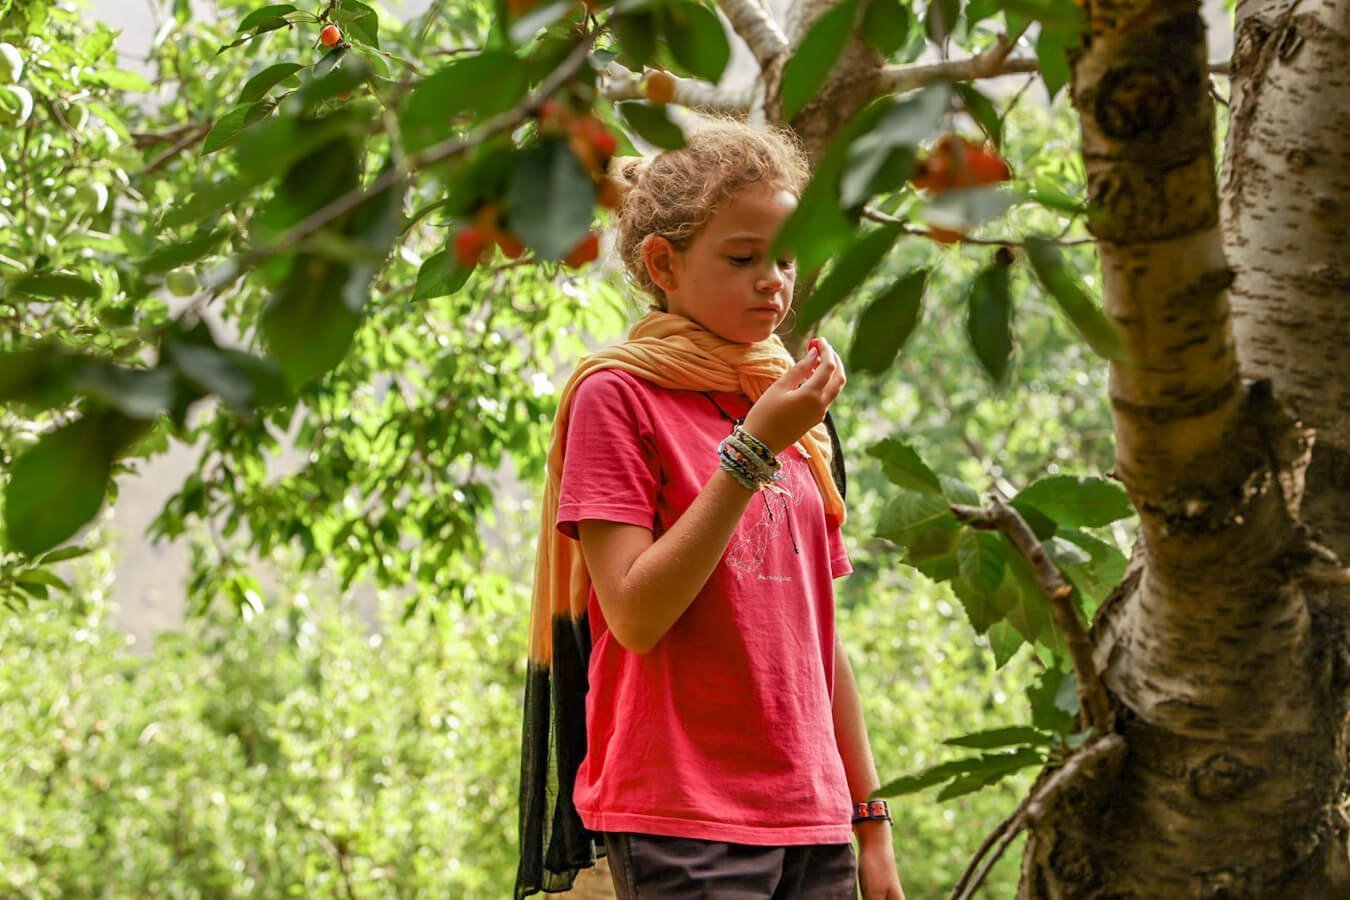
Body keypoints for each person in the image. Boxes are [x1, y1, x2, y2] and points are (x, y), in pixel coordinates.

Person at [516, 118, 906, 900]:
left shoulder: (781, 398)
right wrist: (753, 452)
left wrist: (870, 823)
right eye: (743, 258)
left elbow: (820, 638)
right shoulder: (617, 396)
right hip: (681, 815)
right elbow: (633, 612)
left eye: (786, 257)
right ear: (663, 262)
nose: (775, 281)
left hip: (812, 816)